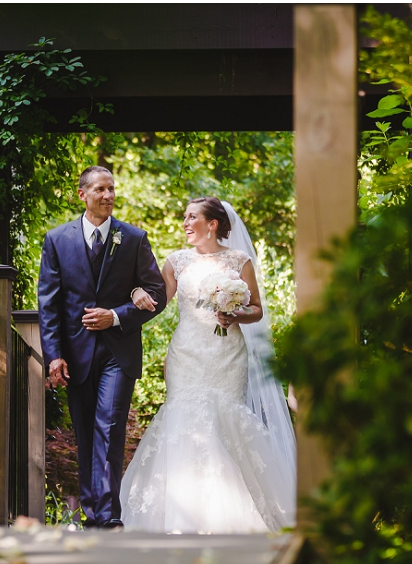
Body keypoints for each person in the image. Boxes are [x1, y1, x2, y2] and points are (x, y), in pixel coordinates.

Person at [120, 197, 296, 533]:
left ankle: (235, 515)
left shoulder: (239, 261)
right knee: (184, 420)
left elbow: (256, 309)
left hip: (227, 353)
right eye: (184, 217)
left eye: (191, 217)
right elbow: (158, 302)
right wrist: (135, 294)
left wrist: (235, 314)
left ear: (212, 224)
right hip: (187, 352)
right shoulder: (176, 262)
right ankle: (186, 514)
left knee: (226, 418)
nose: (185, 223)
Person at [38, 166, 166, 529]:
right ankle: (92, 512)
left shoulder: (134, 238)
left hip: (118, 353)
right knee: (84, 433)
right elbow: (49, 304)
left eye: (111, 189)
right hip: (75, 355)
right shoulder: (57, 240)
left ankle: (107, 516)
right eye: (100, 189)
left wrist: (117, 315)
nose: (108, 195)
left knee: (109, 429)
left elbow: (157, 293)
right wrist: (54, 355)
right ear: (82, 194)